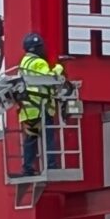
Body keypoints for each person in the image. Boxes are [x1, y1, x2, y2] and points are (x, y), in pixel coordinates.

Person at [17, 32, 65, 176]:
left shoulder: (24, 62)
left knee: (30, 139)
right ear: (38, 47)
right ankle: (51, 166)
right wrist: (58, 68)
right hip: (40, 107)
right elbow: (50, 78)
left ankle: (28, 168)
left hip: (28, 108)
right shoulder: (39, 62)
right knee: (48, 137)